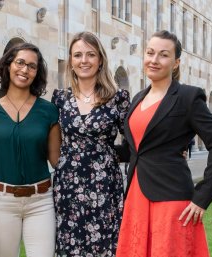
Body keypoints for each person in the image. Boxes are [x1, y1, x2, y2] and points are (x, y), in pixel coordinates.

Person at [116, 30, 212, 257]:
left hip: (171, 199)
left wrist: (203, 197)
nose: (154, 60)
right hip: (136, 197)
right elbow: (137, 151)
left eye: (163, 55)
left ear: (176, 62)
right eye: (150, 53)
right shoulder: (138, 98)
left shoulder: (188, 97)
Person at [51, 31, 130, 257]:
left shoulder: (118, 98)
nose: (84, 60)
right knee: (70, 247)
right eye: (77, 55)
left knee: (105, 246)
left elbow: (134, 142)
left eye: (90, 54)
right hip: (68, 186)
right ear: (71, 61)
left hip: (105, 184)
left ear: (100, 60)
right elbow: (50, 141)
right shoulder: (60, 98)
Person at [0, 42, 61, 257]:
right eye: (20, 63)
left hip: (41, 201)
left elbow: (57, 160)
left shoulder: (48, 110)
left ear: (37, 72)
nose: (25, 70)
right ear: (8, 65)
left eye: (32, 66)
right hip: (0, 200)